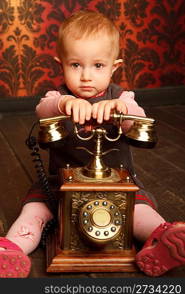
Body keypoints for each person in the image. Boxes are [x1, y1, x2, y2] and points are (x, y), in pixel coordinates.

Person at [0, 10, 185, 278]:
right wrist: (64, 104)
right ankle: (12, 250)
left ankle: (162, 239)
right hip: (58, 183)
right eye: (75, 65)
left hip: (118, 183)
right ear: (60, 64)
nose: (86, 76)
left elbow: (140, 121)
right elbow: (43, 109)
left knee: (139, 212)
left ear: (115, 66)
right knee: (33, 212)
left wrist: (121, 109)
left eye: (98, 66)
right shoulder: (58, 97)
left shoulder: (123, 98)